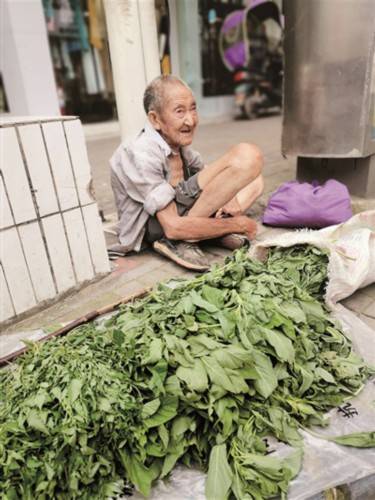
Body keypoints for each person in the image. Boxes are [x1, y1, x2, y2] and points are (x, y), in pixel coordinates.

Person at [110, 75, 264, 271]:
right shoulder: (140, 154)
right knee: (246, 156)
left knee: (255, 180)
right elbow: (172, 226)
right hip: (158, 227)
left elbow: (206, 174)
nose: (190, 120)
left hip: (182, 213)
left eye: (193, 108)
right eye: (179, 111)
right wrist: (237, 224)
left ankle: (204, 233)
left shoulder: (176, 145)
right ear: (155, 119)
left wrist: (229, 196)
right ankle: (185, 240)